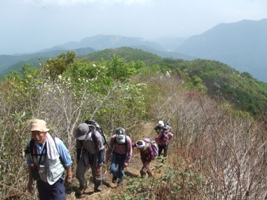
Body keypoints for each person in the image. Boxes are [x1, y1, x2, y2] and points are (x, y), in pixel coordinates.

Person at [25, 119, 73, 200]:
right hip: (41, 179)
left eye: (39, 134)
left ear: (45, 133)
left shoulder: (56, 143)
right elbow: (30, 164)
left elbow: (67, 161)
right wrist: (30, 181)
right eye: (34, 134)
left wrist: (69, 175)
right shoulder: (30, 145)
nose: (36, 137)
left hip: (56, 179)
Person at [74, 122, 105, 197]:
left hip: (97, 154)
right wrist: (78, 158)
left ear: (88, 132)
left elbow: (101, 150)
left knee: (96, 172)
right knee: (79, 172)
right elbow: (78, 147)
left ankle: (98, 188)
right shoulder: (79, 136)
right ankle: (83, 185)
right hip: (86, 152)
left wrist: (100, 164)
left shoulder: (96, 135)